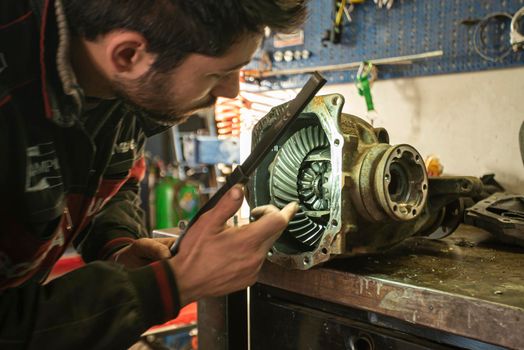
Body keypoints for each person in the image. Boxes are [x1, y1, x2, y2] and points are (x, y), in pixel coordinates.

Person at [0, 0, 307, 348]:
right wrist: (172, 284)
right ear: (128, 55)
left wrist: (120, 247)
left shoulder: (119, 81)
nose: (231, 91)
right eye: (217, 74)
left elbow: (112, 176)